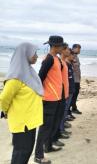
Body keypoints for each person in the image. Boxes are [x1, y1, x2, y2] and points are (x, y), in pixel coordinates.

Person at [0, 43, 44, 164]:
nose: (36, 56)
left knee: (27, 151)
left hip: (30, 120)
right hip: (22, 122)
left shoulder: (28, 72)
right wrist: (5, 112)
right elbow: (3, 98)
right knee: (21, 153)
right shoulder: (16, 77)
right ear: (25, 54)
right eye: (34, 53)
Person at [34, 36, 64, 164]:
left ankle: (48, 146)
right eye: (61, 46)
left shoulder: (57, 58)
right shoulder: (49, 59)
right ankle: (38, 156)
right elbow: (40, 77)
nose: (62, 48)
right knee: (45, 127)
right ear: (55, 46)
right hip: (49, 98)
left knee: (51, 125)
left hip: (56, 97)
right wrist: (41, 94)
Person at [71, 44, 82, 115]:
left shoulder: (76, 57)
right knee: (73, 95)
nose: (79, 50)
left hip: (77, 79)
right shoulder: (71, 56)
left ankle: (74, 108)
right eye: (78, 49)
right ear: (74, 48)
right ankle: (72, 109)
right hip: (73, 79)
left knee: (75, 94)